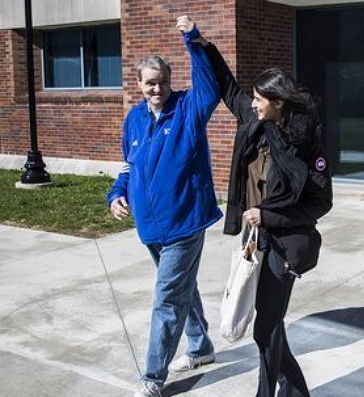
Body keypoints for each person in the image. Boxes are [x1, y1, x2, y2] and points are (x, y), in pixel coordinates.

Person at [197, 36, 333, 396]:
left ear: (277, 103)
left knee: (265, 327)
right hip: (255, 238)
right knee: (271, 325)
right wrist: (202, 43)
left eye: (259, 99)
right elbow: (228, 86)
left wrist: (269, 217)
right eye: (253, 99)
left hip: (284, 243)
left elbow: (321, 203)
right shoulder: (256, 122)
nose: (252, 103)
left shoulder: (306, 145)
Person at [107, 16, 220, 397]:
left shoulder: (189, 108)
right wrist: (116, 192)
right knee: (181, 288)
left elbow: (210, 82)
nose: (158, 89)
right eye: (150, 83)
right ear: (139, 85)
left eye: (163, 81)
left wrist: (191, 38)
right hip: (150, 227)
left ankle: (153, 378)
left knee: (166, 299)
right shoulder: (135, 118)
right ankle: (201, 347)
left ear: (171, 81)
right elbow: (128, 164)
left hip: (186, 222)